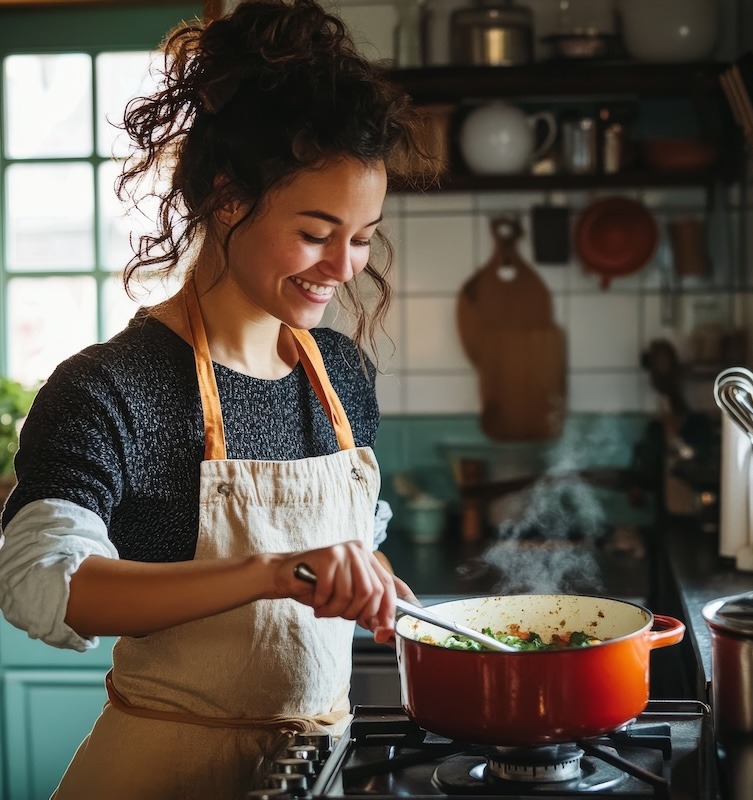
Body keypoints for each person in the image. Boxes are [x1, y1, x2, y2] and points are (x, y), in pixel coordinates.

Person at [0, 1, 434, 797]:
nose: (344, 265)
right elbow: (43, 586)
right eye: (316, 231)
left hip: (310, 772)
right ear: (228, 198)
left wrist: (363, 574)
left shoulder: (337, 374)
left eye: (364, 235)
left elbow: (343, 545)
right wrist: (272, 571)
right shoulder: (112, 387)